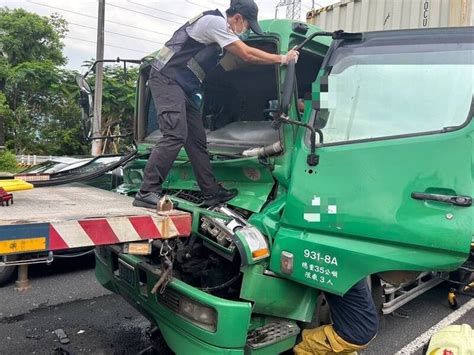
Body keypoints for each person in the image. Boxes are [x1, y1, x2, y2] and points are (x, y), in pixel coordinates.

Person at [133, 0, 299, 209]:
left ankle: (211, 192)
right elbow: (246, 54)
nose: (245, 31)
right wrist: (283, 58)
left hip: (181, 87)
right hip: (167, 80)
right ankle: (147, 191)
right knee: (175, 133)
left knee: (196, 140)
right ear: (237, 18)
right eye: (247, 26)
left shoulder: (217, 34)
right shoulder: (214, 23)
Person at [294, 279, 379, 355]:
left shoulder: (334, 276)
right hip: (369, 328)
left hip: (352, 335)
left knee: (303, 346)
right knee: (310, 335)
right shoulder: (353, 275)